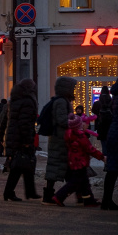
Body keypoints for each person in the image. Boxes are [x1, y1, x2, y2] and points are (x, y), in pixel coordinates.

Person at [51, 113, 103, 207]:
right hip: (80, 162)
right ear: (79, 125)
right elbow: (90, 149)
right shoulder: (80, 136)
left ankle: (89, 200)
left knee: (84, 182)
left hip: (73, 161)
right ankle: (59, 196)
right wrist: (102, 157)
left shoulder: (69, 134)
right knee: (74, 182)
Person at [2, 79, 41, 202]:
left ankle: (30, 191)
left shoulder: (15, 100)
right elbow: (25, 123)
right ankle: (9, 192)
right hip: (21, 138)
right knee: (19, 166)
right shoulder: (27, 102)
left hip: (14, 137)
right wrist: (27, 141)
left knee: (25, 164)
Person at [43, 76, 77, 204]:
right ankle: (50, 196)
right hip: (60, 140)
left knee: (63, 168)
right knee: (56, 167)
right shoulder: (61, 102)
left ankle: (80, 194)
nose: (74, 89)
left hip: (61, 139)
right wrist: (76, 122)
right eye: (72, 88)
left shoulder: (63, 101)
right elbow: (62, 120)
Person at [101, 81, 118, 210]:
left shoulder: (115, 97)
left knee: (112, 169)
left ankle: (106, 200)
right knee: (113, 169)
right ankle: (106, 200)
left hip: (113, 133)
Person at [92, 86, 112, 150]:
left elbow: (93, 111)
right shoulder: (111, 102)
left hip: (100, 124)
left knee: (103, 143)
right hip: (110, 125)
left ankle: (105, 157)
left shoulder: (97, 103)